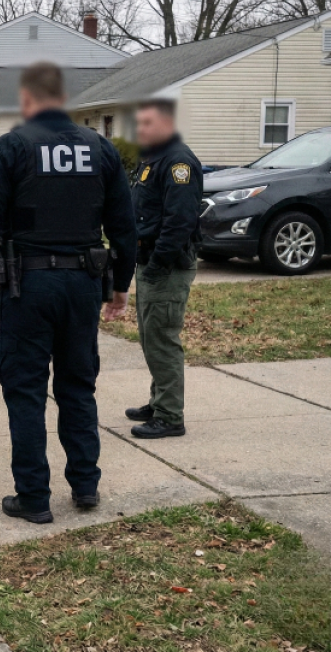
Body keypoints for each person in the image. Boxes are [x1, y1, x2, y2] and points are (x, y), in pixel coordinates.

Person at [0, 62, 136, 524]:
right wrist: (120, 286)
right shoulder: (101, 149)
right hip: (82, 285)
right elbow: (124, 226)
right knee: (78, 385)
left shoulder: (11, 147)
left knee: (26, 390)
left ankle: (34, 497)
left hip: (29, 284)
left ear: (28, 100)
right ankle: (85, 485)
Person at [125, 100, 203, 439]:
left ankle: (170, 417)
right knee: (150, 337)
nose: (140, 129)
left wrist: (158, 263)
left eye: (147, 123)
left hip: (167, 267)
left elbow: (180, 220)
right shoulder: (153, 159)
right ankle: (160, 402)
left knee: (162, 339)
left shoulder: (178, 162)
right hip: (149, 262)